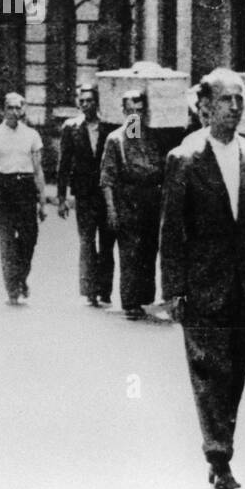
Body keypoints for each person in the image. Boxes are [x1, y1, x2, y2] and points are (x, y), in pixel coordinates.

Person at [160, 68, 245, 489]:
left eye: (240, 99)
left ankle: (222, 447)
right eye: (225, 99)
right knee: (208, 371)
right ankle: (219, 457)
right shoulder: (184, 158)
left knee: (235, 370)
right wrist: (173, 289)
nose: (235, 107)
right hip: (201, 285)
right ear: (204, 107)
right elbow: (171, 232)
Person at [100, 90, 165, 320]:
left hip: (151, 202)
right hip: (127, 202)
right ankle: (130, 302)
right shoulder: (115, 140)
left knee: (149, 250)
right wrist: (111, 210)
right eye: (130, 110)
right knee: (130, 253)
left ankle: (146, 297)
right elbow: (107, 179)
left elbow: (161, 169)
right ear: (123, 111)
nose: (135, 114)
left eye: (139, 110)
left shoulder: (152, 137)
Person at [0, 93, 46, 306]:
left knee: (29, 240)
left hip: (25, 190)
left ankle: (21, 278)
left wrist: (42, 202)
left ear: (23, 110)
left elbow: (38, 170)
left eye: (19, 108)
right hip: (2, 191)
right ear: (3, 110)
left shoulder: (32, 136)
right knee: (7, 245)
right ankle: (12, 290)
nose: (15, 113)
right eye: (11, 108)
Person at [57, 85, 115, 308]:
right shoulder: (70, 128)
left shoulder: (111, 125)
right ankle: (90, 290)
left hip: (106, 193)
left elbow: (133, 140)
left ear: (97, 103)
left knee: (108, 242)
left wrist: (134, 115)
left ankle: (105, 290)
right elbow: (63, 165)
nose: (85, 105)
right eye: (82, 101)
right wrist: (61, 199)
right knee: (87, 241)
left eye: (90, 100)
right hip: (84, 195)